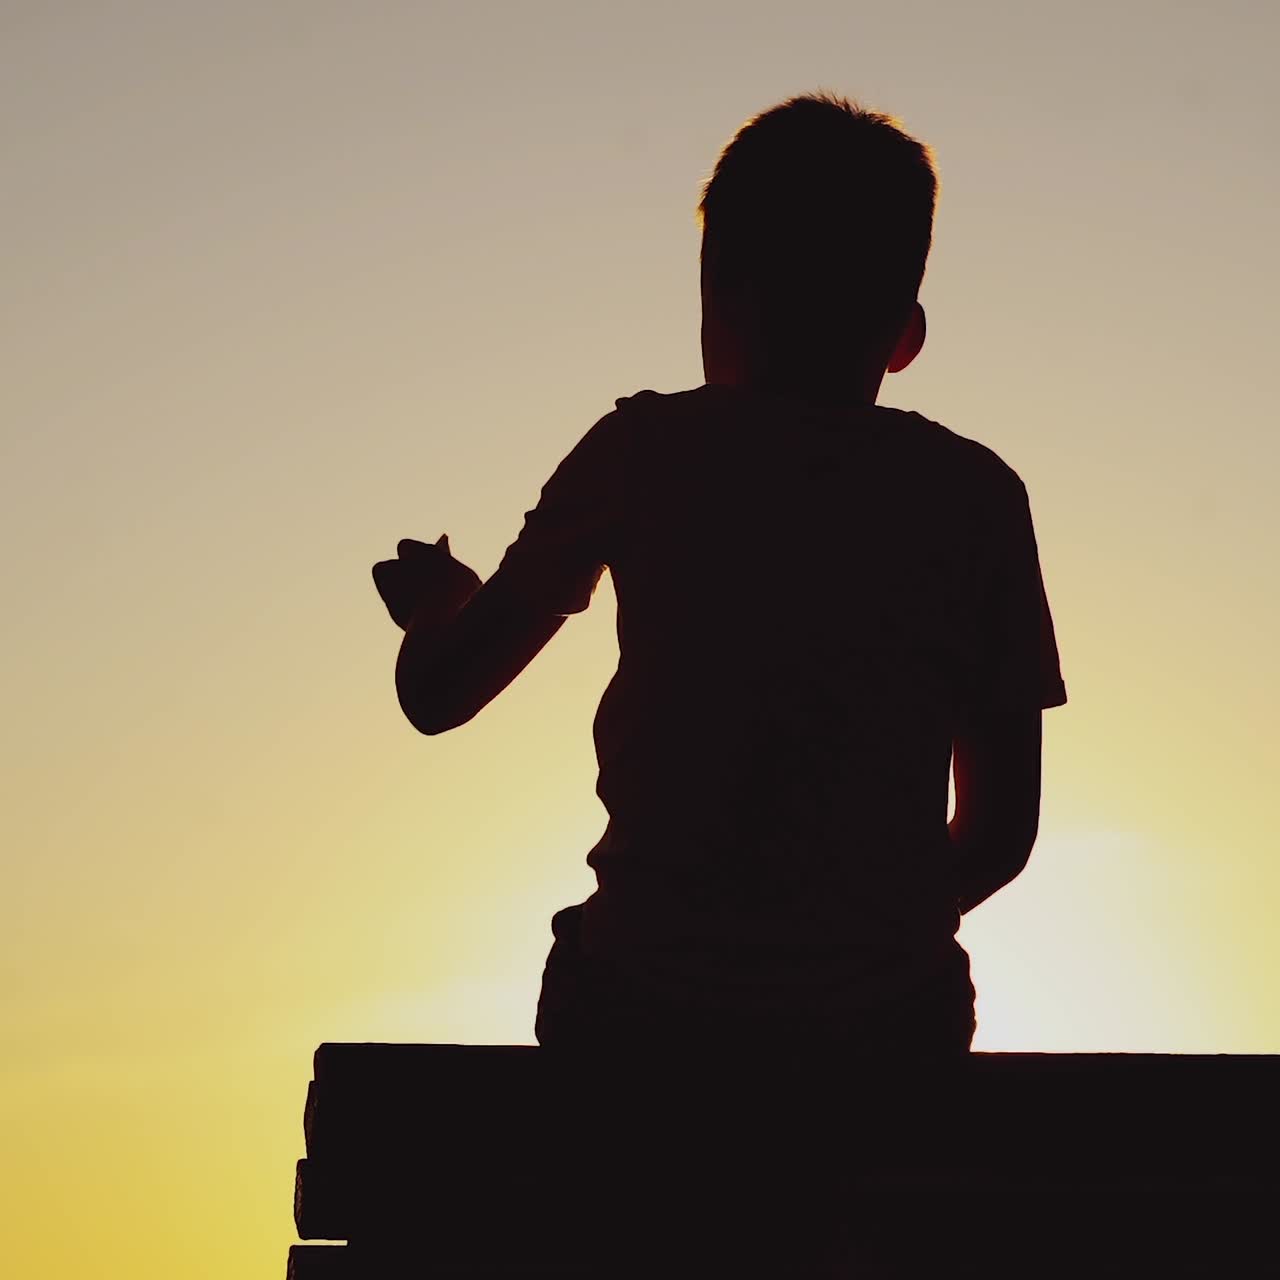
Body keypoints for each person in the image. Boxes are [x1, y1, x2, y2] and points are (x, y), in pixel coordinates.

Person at [372, 91, 1067, 1067]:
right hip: (879, 1031)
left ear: (719, 300)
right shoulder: (974, 496)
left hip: (641, 1015)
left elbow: (439, 695)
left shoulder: (638, 453)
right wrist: (852, 937)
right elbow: (999, 833)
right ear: (904, 334)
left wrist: (435, 608)